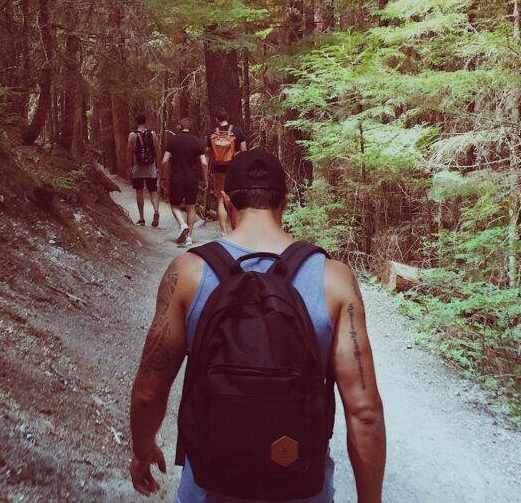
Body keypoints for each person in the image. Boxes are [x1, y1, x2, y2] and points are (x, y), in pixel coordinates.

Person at [129, 149, 386, 503]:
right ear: (284, 202)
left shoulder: (187, 273)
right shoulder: (334, 278)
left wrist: (143, 449)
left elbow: (149, 389)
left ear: (225, 202)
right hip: (300, 486)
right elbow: (365, 412)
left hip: (211, 487)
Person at [161, 118, 208, 247]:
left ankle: (182, 225)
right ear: (191, 128)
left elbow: (164, 161)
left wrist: (163, 177)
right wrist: (205, 179)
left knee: (174, 205)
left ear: (179, 127)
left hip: (177, 178)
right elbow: (204, 163)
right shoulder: (197, 142)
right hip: (193, 179)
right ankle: (189, 238)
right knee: (191, 207)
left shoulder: (173, 141)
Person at [205, 110, 247, 236]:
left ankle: (223, 232)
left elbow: (207, 151)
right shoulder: (238, 131)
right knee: (234, 199)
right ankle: (237, 230)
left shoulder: (213, 133)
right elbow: (244, 150)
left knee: (220, 200)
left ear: (217, 119)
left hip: (218, 169)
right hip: (234, 169)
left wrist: (216, 156)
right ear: (227, 117)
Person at [127, 115, 161, 227]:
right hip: (151, 167)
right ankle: (156, 210)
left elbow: (129, 153)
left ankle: (141, 218)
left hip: (138, 167)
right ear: (145, 122)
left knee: (139, 191)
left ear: (136, 122)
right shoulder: (153, 134)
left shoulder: (132, 135)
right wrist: (159, 167)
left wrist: (129, 168)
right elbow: (157, 151)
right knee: (153, 191)